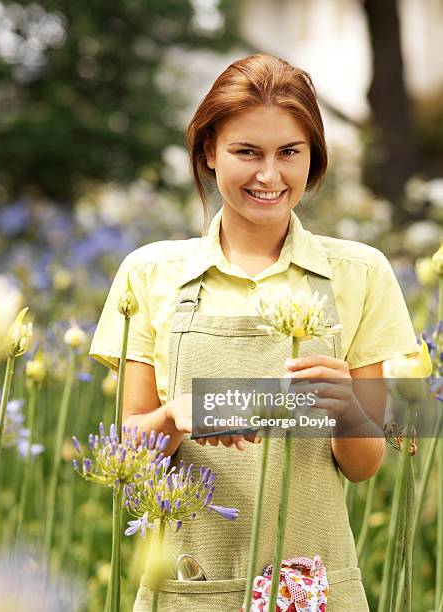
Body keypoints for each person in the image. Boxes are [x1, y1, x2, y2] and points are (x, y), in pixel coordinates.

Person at [89, 54, 418, 611]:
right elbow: (128, 463)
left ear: (312, 157)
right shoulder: (150, 274)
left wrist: (349, 412)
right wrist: (173, 419)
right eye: (247, 152)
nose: (270, 175)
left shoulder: (359, 272)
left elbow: (363, 468)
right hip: (189, 591)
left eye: (289, 152)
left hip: (312, 591)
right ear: (209, 152)